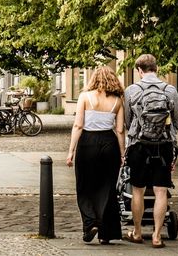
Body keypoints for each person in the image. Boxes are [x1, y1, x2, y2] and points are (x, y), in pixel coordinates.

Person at [122, 54, 178, 248]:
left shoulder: (131, 90)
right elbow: (177, 120)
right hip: (163, 146)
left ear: (139, 70)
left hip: (139, 145)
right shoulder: (169, 90)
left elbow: (128, 121)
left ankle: (137, 232)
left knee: (137, 190)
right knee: (161, 191)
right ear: (157, 68)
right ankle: (156, 236)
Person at [66, 67, 125, 244]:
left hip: (87, 143)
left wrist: (71, 151)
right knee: (107, 188)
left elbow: (78, 125)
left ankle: (90, 222)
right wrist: (122, 153)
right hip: (109, 143)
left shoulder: (85, 97)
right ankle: (106, 234)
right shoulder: (117, 101)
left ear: (93, 79)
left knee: (84, 185)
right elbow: (120, 129)